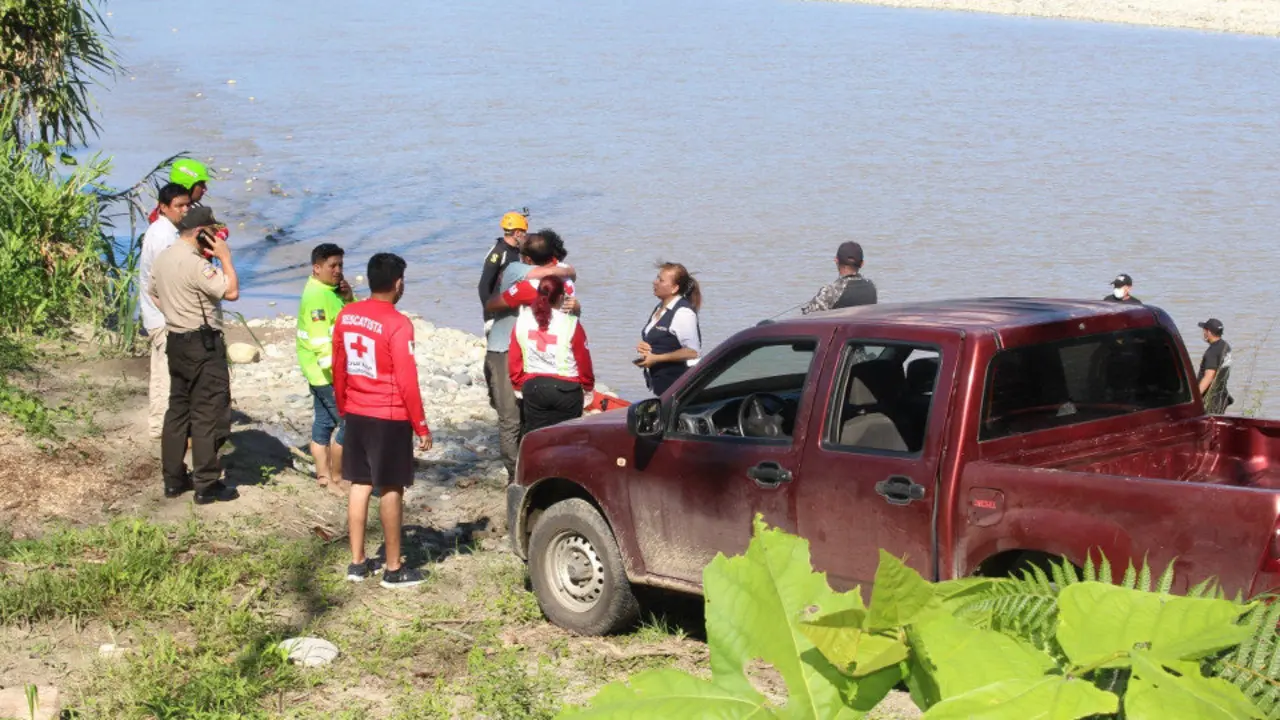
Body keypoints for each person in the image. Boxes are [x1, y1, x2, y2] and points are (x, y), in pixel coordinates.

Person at [332, 253, 431, 589]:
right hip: (388, 415)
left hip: (357, 410)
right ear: (398, 283)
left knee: (359, 484)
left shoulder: (347, 315)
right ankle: (393, 568)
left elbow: (339, 364)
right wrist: (420, 425)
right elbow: (407, 379)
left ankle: (357, 563)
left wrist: (344, 406)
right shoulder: (398, 323)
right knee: (390, 487)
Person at [149, 207, 240, 504]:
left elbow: (152, 292)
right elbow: (231, 292)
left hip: (175, 339)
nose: (215, 237)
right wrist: (224, 258)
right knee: (207, 412)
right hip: (202, 343)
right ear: (200, 232)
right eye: (211, 232)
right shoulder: (195, 264)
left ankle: (173, 480)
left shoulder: (163, 257)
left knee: (177, 410)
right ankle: (206, 484)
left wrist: (175, 312)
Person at [481, 230, 577, 482]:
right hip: (503, 348)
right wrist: (565, 273)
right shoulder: (517, 271)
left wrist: (574, 303)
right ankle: (517, 476)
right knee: (510, 417)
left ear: (527, 257)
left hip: (531, 352)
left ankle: (533, 469)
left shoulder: (553, 274)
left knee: (529, 415)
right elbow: (556, 274)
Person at [297, 243, 355, 496]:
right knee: (348, 423)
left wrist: (348, 296)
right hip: (325, 373)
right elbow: (321, 342)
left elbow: (351, 316)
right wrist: (337, 377)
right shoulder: (316, 297)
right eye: (332, 265)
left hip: (325, 371)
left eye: (340, 264)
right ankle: (338, 477)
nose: (338, 270)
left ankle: (323, 476)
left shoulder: (330, 290)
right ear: (317, 268)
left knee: (323, 422)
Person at [138, 183, 192, 438]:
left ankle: (164, 423)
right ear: (163, 207)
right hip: (161, 315)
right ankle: (160, 425)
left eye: (186, 205)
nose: (184, 210)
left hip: (160, 313)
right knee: (165, 371)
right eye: (179, 206)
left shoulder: (166, 230)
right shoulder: (163, 236)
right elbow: (162, 279)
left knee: (163, 369)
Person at [509, 275, 594, 434]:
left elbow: (514, 358)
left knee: (535, 436)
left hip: (534, 388)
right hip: (567, 391)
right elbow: (583, 360)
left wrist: (518, 384)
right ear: (561, 297)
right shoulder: (570, 323)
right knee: (566, 439)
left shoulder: (523, 319)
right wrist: (588, 388)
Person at [637, 262, 702, 396]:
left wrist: (656, 358)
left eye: (661, 280)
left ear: (674, 288)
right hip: (660, 384)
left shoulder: (683, 313)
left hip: (677, 386)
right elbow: (661, 339)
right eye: (657, 278)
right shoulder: (659, 307)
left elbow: (692, 352)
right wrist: (646, 347)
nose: (654, 282)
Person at [477, 211, 529, 334]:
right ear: (517, 233)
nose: (525, 236)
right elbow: (483, 286)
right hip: (496, 311)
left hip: (511, 309)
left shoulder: (517, 252)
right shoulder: (498, 253)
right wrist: (490, 314)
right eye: (524, 233)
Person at [801, 241, 877, 314]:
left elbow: (808, 318)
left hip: (840, 327)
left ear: (836, 260)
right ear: (862, 264)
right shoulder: (871, 287)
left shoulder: (830, 291)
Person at [147, 159, 211, 224]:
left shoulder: (162, 210)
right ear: (189, 185)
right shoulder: (193, 214)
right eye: (201, 184)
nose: (205, 189)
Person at [1197, 318, 1233, 414]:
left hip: (1211, 399)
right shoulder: (1225, 346)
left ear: (1208, 332)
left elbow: (1209, 376)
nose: (1203, 332)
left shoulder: (1212, 352)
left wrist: (1196, 398)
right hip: (1221, 396)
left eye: (1204, 330)